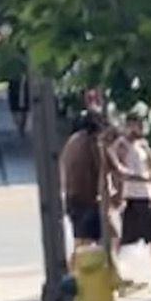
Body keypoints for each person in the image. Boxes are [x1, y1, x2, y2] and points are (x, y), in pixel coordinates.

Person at [104, 112, 151, 287]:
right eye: (135, 125)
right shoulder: (121, 145)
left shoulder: (142, 144)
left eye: (141, 125)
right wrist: (141, 179)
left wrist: (148, 153)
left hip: (146, 195)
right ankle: (111, 273)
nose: (139, 129)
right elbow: (118, 171)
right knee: (121, 239)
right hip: (132, 197)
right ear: (127, 126)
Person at [55, 104, 108, 255]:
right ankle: (80, 274)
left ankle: (76, 273)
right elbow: (100, 169)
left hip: (73, 198)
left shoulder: (72, 141)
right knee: (96, 240)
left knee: (81, 241)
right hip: (88, 199)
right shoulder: (92, 142)